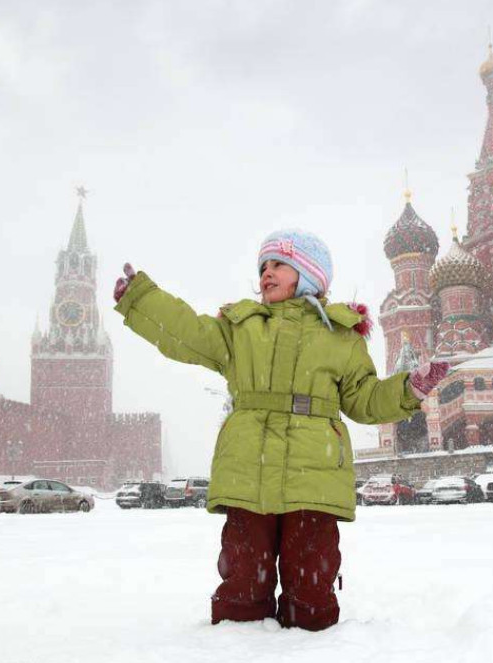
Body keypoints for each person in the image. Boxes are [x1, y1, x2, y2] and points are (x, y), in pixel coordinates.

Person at [112, 229, 449, 631]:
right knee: (243, 573)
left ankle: (316, 648)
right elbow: (187, 332)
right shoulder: (241, 329)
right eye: (263, 266)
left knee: (311, 579)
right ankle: (234, 648)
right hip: (247, 472)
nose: (266, 273)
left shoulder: (340, 336)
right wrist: (142, 299)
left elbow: (363, 399)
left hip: (314, 478)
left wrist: (408, 387)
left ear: (308, 275)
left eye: (279, 265)